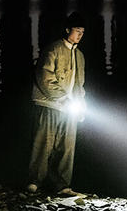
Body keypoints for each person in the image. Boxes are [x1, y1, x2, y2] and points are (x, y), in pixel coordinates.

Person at [26, 11, 87, 196]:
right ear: (67, 30)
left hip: (69, 108)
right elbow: (45, 78)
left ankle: (62, 185)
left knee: (66, 147)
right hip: (49, 104)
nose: (79, 35)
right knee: (43, 144)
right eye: (77, 31)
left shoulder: (80, 56)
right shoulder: (53, 50)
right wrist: (63, 98)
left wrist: (81, 105)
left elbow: (80, 84)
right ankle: (34, 182)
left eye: (82, 32)